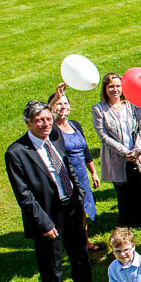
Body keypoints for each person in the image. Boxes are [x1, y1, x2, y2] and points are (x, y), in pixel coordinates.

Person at [5, 100, 110, 282]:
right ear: (28, 122)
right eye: (40, 120)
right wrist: (43, 223)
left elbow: (67, 165)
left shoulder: (54, 136)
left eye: (48, 119)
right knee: (51, 264)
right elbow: (24, 195)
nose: (45, 124)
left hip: (70, 205)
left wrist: (79, 194)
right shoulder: (16, 153)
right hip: (46, 214)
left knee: (79, 253)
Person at [91, 73, 141, 228]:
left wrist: (138, 148)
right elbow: (103, 135)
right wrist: (125, 152)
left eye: (118, 86)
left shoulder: (131, 104)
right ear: (105, 89)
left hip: (137, 153)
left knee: (140, 188)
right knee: (123, 191)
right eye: (111, 86)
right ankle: (127, 223)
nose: (115, 90)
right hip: (117, 156)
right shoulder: (99, 109)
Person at [48, 85, 99, 251]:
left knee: (83, 210)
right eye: (59, 104)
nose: (63, 107)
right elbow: (46, 113)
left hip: (81, 175)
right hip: (65, 176)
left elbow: (85, 150)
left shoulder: (75, 124)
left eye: (65, 103)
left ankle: (85, 241)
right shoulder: (51, 129)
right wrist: (55, 97)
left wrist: (93, 172)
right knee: (72, 213)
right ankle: (75, 245)